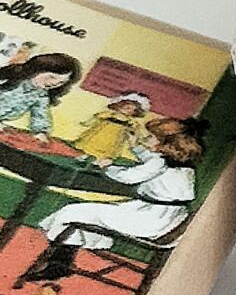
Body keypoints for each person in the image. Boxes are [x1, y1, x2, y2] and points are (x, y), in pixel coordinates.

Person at [16, 115, 205, 284]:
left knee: (72, 211)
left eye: (151, 137)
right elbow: (151, 161)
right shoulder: (181, 165)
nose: (146, 138)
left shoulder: (159, 162)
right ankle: (60, 263)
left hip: (149, 220)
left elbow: (128, 177)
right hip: (167, 220)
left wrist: (107, 166)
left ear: (165, 143)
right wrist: (135, 147)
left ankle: (60, 262)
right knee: (89, 214)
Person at [0, 53, 82, 138]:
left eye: (61, 82)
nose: (54, 83)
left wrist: (41, 132)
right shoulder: (11, 78)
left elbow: (40, 114)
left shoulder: (41, 96)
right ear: (38, 70)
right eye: (52, 77)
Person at [70, 93, 152, 161]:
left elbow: (137, 129)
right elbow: (97, 118)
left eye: (130, 109)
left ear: (135, 112)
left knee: (108, 149)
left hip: (115, 136)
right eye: (125, 106)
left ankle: (98, 160)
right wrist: (87, 123)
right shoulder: (110, 114)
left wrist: (143, 137)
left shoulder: (131, 121)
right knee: (92, 142)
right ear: (119, 105)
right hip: (102, 131)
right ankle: (85, 155)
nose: (126, 109)